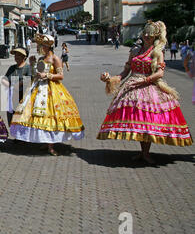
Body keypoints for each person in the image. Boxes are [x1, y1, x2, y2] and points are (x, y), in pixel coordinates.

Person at [98, 20, 193, 164]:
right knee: (139, 121)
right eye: (145, 34)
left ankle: (146, 153)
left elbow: (160, 73)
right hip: (132, 87)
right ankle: (143, 152)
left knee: (148, 120)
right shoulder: (135, 50)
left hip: (149, 86)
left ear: (155, 36)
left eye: (150, 35)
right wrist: (110, 79)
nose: (147, 37)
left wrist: (145, 80)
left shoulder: (157, 52)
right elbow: (125, 71)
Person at [10, 34, 85, 156]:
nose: (39, 48)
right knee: (39, 116)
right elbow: (36, 74)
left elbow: (61, 76)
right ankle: (46, 141)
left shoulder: (55, 59)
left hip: (52, 89)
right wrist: (33, 64)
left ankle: (51, 145)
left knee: (51, 116)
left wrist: (48, 75)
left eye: (42, 46)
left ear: (48, 46)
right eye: (40, 46)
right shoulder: (41, 59)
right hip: (39, 89)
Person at [2, 47, 33, 126]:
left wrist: (18, 85)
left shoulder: (28, 67)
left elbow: (29, 79)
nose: (17, 57)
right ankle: (15, 134)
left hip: (23, 97)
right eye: (16, 55)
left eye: (19, 55)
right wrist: (6, 83)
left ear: (24, 57)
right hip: (12, 96)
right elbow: (5, 78)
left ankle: (22, 136)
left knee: (21, 116)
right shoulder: (12, 68)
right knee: (12, 116)